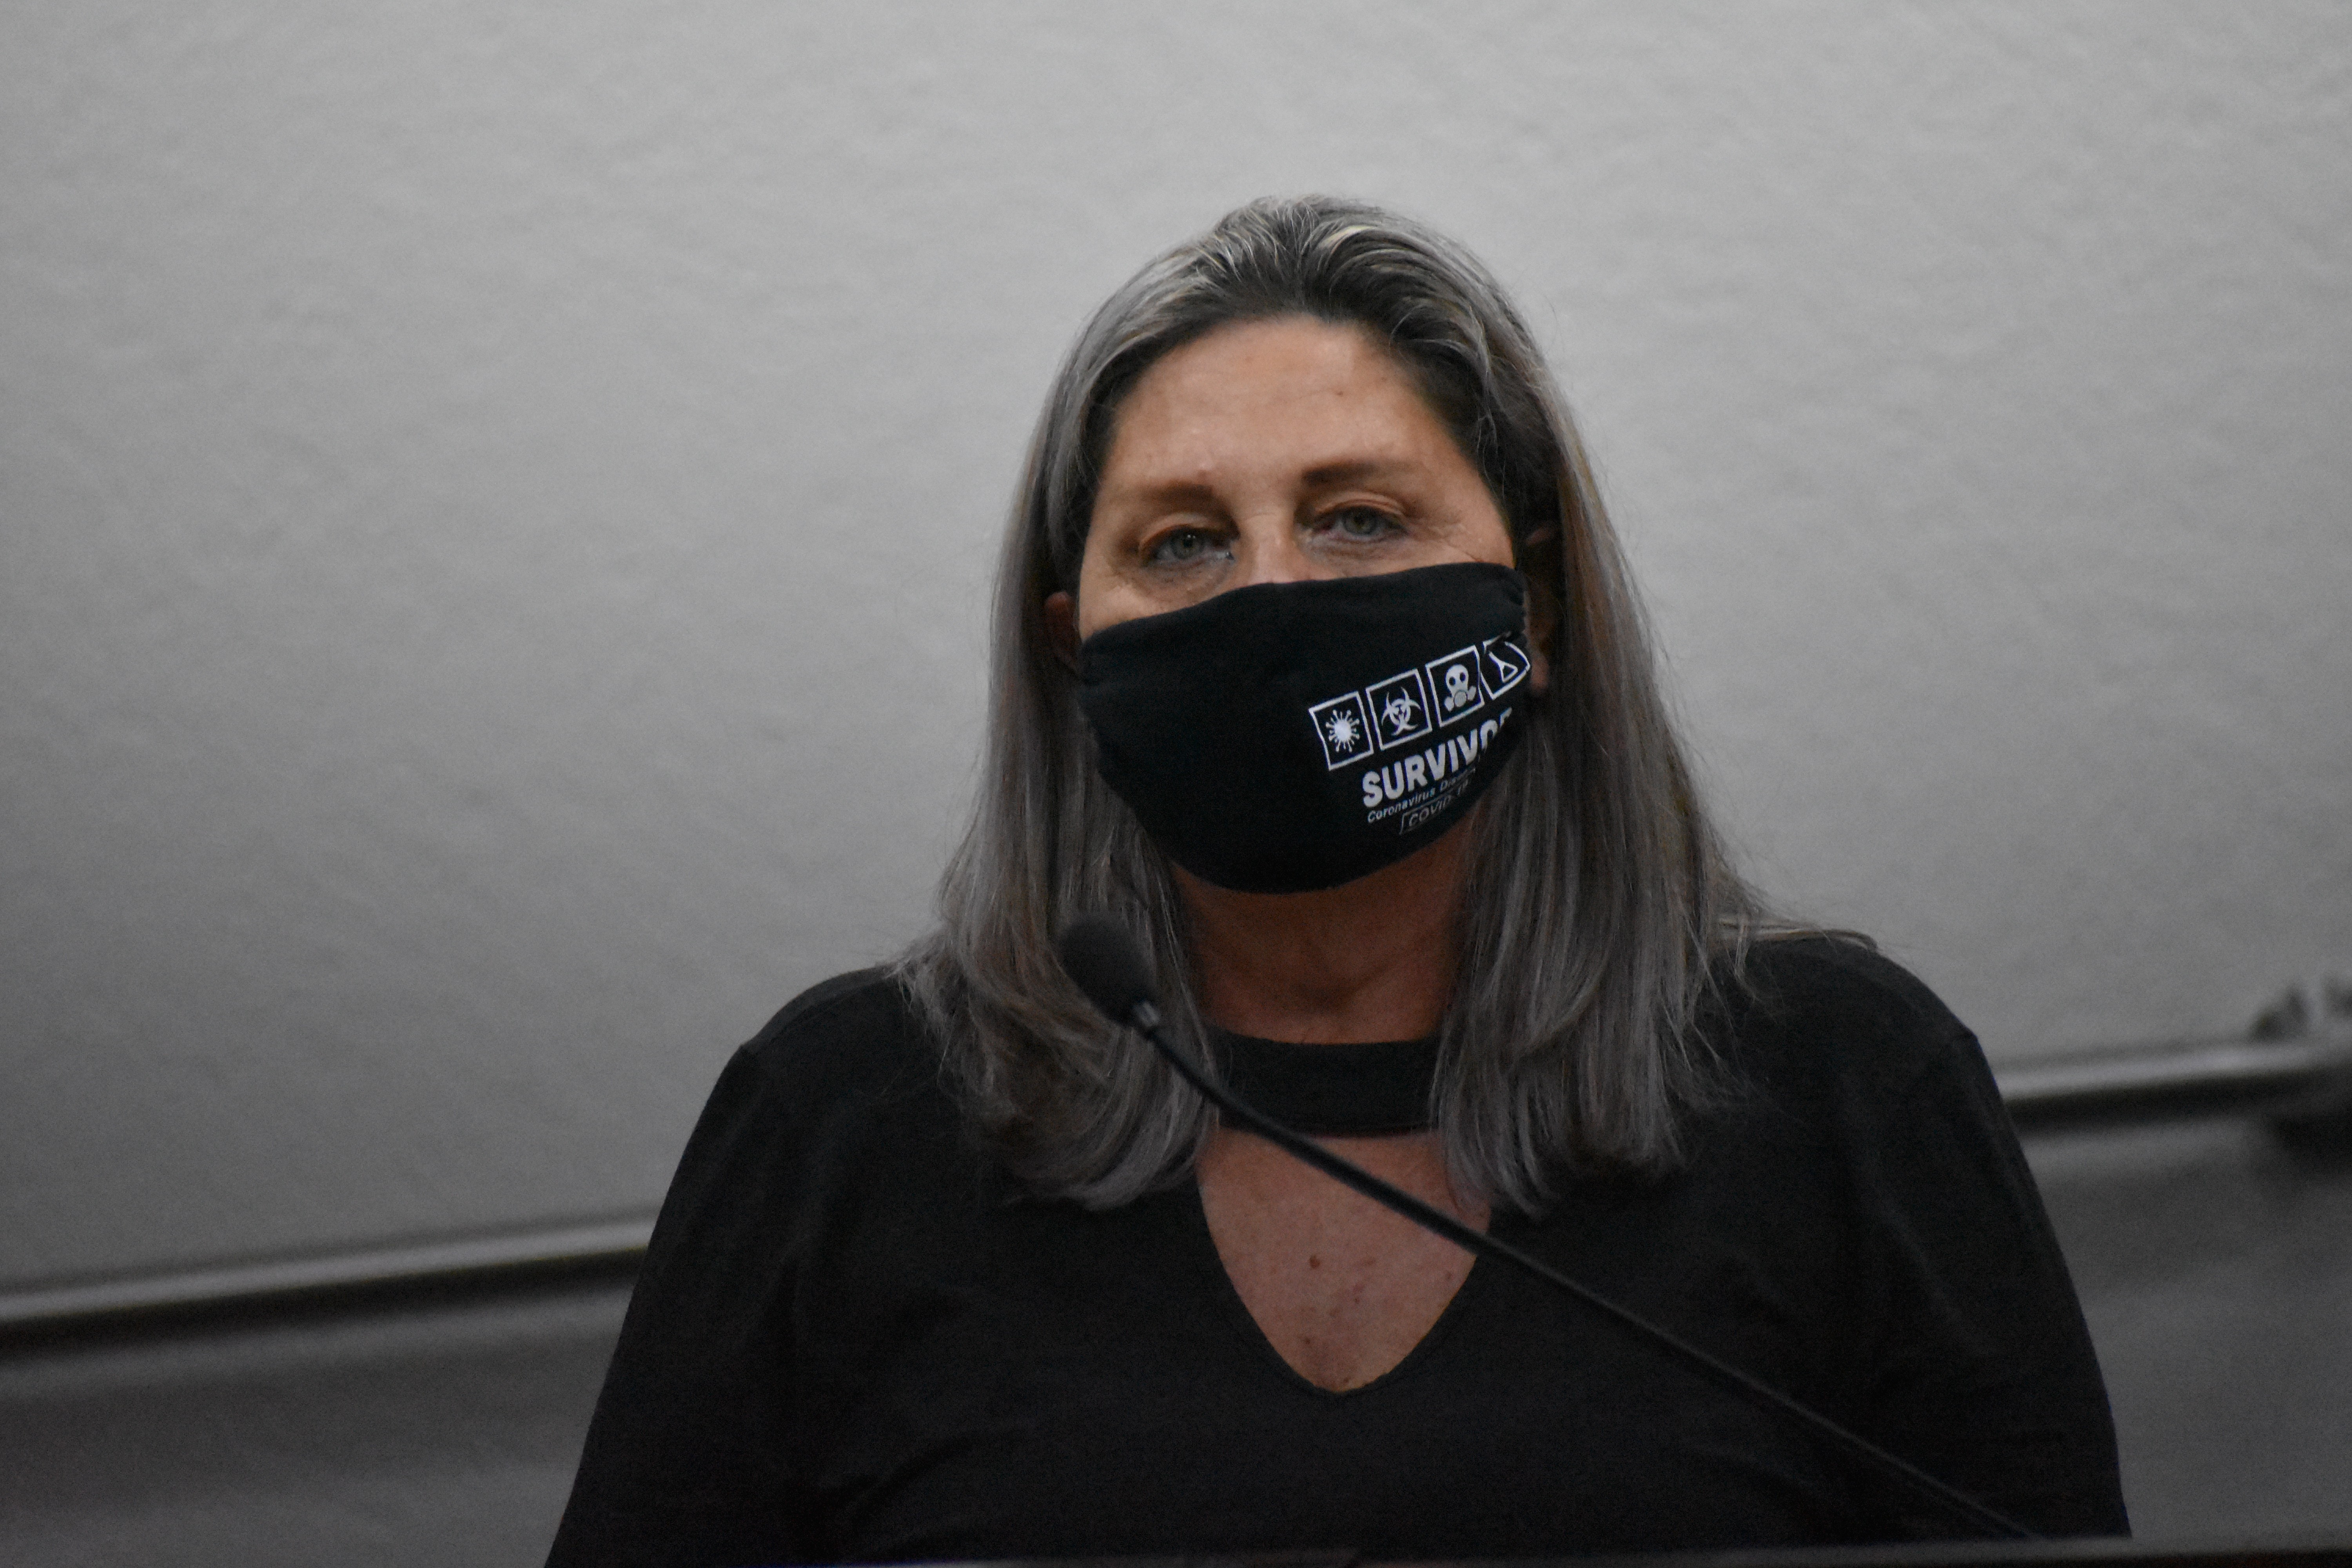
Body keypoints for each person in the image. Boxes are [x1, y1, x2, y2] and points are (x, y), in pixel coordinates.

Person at [546, 197, 2127, 1565]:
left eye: (1357, 519)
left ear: (1537, 609)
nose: (1271, 597)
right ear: (1072, 648)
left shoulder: (1842, 1089)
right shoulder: (843, 1121)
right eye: (1181, 543)